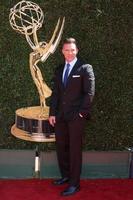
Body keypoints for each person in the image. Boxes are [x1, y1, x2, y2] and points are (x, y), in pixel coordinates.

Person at [49, 38, 95, 196]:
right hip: (60, 117)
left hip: (76, 117)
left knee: (75, 150)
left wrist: (82, 113)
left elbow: (89, 93)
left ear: (77, 51)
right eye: (67, 50)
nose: (70, 52)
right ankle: (66, 176)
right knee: (61, 148)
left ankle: (74, 184)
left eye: (72, 50)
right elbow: (56, 94)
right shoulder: (59, 69)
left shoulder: (85, 68)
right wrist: (52, 113)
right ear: (62, 51)